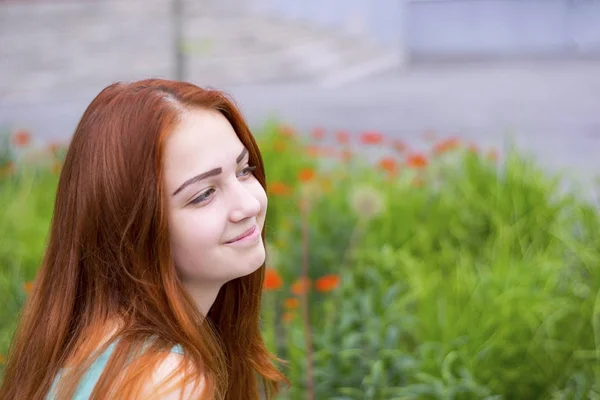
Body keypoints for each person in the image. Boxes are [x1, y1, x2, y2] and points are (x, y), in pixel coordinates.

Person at [0, 79, 289, 400]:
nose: (249, 204)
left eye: (243, 170)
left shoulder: (91, 349)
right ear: (132, 226)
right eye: (204, 194)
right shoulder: (166, 382)